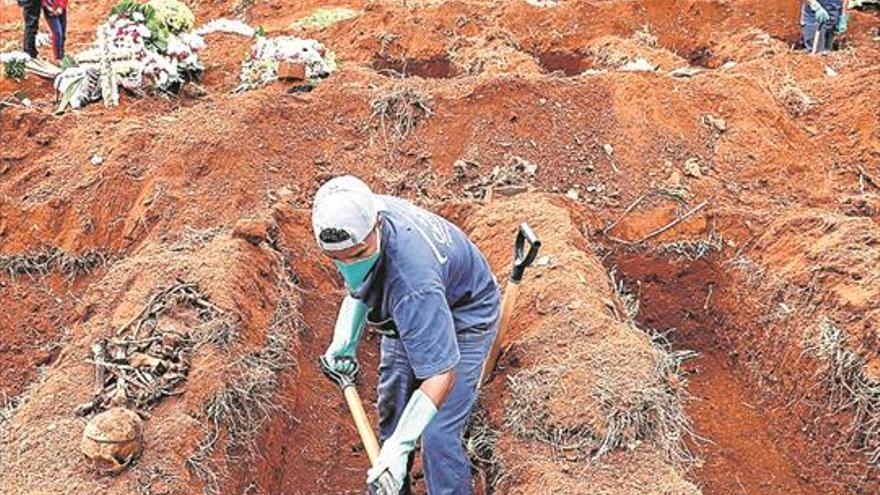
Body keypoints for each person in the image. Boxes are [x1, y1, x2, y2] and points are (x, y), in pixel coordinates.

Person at [312, 175, 500, 495]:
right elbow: (361, 285)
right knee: (393, 402)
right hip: (416, 305)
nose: (349, 266)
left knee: (437, 432)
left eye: (358, 255)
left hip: (465, 313)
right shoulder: (359, 212)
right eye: (337, 259)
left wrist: (401, 446)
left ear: (378, 226)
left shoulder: (413, 286)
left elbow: (440, 375)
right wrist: (345, 339)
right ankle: (390, 482)